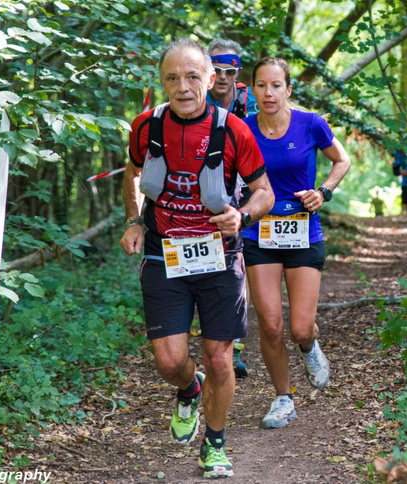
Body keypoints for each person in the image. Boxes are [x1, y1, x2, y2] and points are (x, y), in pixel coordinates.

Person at [120, 38, 274, 478]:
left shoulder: (234, 130)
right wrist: (133, 219)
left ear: (211, 78)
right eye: (172, 77)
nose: (183, 87)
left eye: (192, 76)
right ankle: (189, 390)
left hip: (219, 256)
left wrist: (241, 215)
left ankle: (215, 444)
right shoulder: (146, 126)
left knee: (220, 357)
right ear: (163, 81)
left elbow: (265, 191)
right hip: (164, 253)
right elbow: (133, 172)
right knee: (169, 361)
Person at [241, 57, 351, 429]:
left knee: (299, 328)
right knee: (270, 325)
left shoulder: (310, 123)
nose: (268, 93)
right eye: (261, 85)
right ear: (252, 89)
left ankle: (309, 346)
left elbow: (342, 160)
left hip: (303, 231)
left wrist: (324, 192)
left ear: (289, 89)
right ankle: (283, 399)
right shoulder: (241, 130)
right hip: (258, 233)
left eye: (276, 85)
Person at [206, 38, 257, 379]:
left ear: (237, 72)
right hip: (209, 186)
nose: (223, 77)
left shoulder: (249, 99)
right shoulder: (195, 94)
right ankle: (214, 338)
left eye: (229, 70)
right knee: (212, 262)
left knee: (244, 259)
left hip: (248, 184)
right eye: (217, 70)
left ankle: (234, 343)